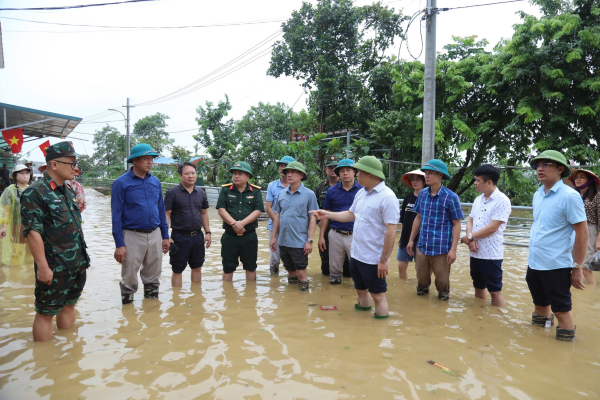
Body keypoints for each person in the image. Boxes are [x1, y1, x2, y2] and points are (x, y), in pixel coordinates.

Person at [312, 156, 399, 317]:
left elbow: (391, 231)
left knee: (378, 296)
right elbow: (351, 215)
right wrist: (327, 214)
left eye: (359, 172)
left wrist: (384, 261)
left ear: (370, 174)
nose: (356, 175)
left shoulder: (387, 197)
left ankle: (378, 332)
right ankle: (361, 323)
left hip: (373, 258)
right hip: (357, 254)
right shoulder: (362, 194)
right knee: (360, 291)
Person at [20, 142, 90, 341]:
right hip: (54, 265)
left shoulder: (67, 190)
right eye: (71, 163)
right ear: (54, 165)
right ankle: (44, 363)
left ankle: (66, 353)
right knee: (45, 313)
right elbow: (33, 232)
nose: (74, 168)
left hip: (76, 261)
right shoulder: (35, 193)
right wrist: (43, 267)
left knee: (69, 306)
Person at [527, 150, 587, 342]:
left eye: (546, 165)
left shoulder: (569, 196)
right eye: (538, 165)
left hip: (556, 265)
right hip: (535, 262)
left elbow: (582, 233)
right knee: (539, 306)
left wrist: (578, 267)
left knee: (561, 311)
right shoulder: (538, 194)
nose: (540, 169)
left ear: (560, 169)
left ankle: (565, 352)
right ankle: (539, 347)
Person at [111, 143, 170, 305]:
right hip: (131, 235)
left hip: (154, 234)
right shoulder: (121, 183)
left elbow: (160, 210)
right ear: (135, 160)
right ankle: (128, 312)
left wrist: (165, 236)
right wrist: (119, 244)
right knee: (129, 274)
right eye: (146, 158)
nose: (150, 162)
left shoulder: (155, 182)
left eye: (152, 159)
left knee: (153, 274)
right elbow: (116, 216)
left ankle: (151, 311)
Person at [407, 159, 463, 300]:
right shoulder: (422, 194)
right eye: (426, 173)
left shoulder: (451, 197)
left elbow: (457, 224)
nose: (426, 176)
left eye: (430, 173)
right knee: (421, 283)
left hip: (442, 249)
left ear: (440, 175)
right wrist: (411, 240)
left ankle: (441, 313)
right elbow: (418, 218)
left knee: (443, 286)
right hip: (422, 246)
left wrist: (453, 250)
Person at [460, 164, 511, 306]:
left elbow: (492, 228)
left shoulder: (502, 200)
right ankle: (480, 315)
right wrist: (471, 240)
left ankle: (497, 319)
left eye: (477, 180)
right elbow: (470, 220)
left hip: (491, 253)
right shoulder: (478, 200)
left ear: (489, 182)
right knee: (478, 285)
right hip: (475, 251)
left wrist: (470, 237)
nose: (474, 183)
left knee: (494, 290)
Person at [270, 161, 318, 291]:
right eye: (287, 172)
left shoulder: (309, 194)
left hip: (299, 241)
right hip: (283, 241)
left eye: (292, 172)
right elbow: (278, 216)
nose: (289, 175)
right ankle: (291, 300)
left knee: (301, 272)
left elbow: (313, 218)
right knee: (290, 270)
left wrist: (310, 240)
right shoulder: (281, 194)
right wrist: (273, 237)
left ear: (301, 175)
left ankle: (303, 300)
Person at [164, 162, 211, 286]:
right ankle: (177, 299)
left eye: (193, 173)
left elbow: (204, 213)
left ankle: (196, 297)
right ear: (180, 175)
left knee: (197, 267)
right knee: (177, 269)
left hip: (197, 236)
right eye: (187, 173)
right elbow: (166, 214)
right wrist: (165, 236)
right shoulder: (172, 192)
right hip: (179, 237)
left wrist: (208, 233)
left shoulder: (201, 192)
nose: (190, 176)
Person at [216, 161, 264, 281]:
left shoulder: (256, 191)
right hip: (229, 236)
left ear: (248, 176)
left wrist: (242, 224)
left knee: (251, 267)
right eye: (234, 173)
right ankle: (227, 295)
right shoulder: (225, 190)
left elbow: (258, 211)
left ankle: (250, 296)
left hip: (249, 236)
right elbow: (221, 210)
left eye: (240, 173)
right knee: (227, 267)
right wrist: (235, 224)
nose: (236, 176)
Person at [318, 159, 361, 284]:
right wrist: (321, 237)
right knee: (334, 272)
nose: (345, 173)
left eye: (348, 170)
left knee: (357, 270)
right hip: (335, 233)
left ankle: (358, 297)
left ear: (354, 172)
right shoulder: (332, 191)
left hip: (356, 234)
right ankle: (334, 297)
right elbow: (326, 214)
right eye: (341, 171)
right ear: (338, 174)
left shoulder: (363, 191)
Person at [567, 168, 600, 285]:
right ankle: (579, 296)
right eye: (576, 177)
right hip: (573, 231)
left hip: (590, 231)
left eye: (582, 177)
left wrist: (598, 241)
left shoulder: (597, 196)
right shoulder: (573, 196)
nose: (578, 179)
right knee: (573, 265)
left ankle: (592, 298)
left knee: (585, 268)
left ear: (589, 180)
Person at [265, 155, 295, 276]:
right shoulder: (272, 186)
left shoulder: (297, 186)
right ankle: (274, 283)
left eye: (285, 166)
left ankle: (292, 280)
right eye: (280, 165)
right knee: (274, 258)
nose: (282, 168)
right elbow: (268, 208)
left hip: (293, 228)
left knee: (293, 257)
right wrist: (280, 223)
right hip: (274, 227)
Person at [0, 164, 34, 267]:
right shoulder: (10, 190)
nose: (25, 176)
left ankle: (27, 277)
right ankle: (15, 274)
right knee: (17, 252)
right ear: (15, 176)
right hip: (17, 226)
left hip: (32, 226)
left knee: (31, 252)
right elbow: (5, 210)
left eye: (27, 173)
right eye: (22, 173)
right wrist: (4, 226)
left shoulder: (33, 189)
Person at [396, 169, 426, 279]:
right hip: (406, 237)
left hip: (421, 239)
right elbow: (403, 219)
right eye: (413, 179)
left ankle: (419, 289)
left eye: (418, 179)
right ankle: (403, 287)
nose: (414, 182)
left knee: (421, 268)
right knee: (401, 266)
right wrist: (401, 235)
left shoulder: (427, 198)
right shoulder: (408, 197)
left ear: (424, 182)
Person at [314, 155, 340, 276]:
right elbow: (315, 208)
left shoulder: (346, 185)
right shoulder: (320, 187)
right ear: (326, 170)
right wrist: (318, 223)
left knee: (346, 262)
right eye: (330, 167)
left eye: (335, 167)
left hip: (343, 226)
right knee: (325, 258)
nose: (333, 169)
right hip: (325, 228)